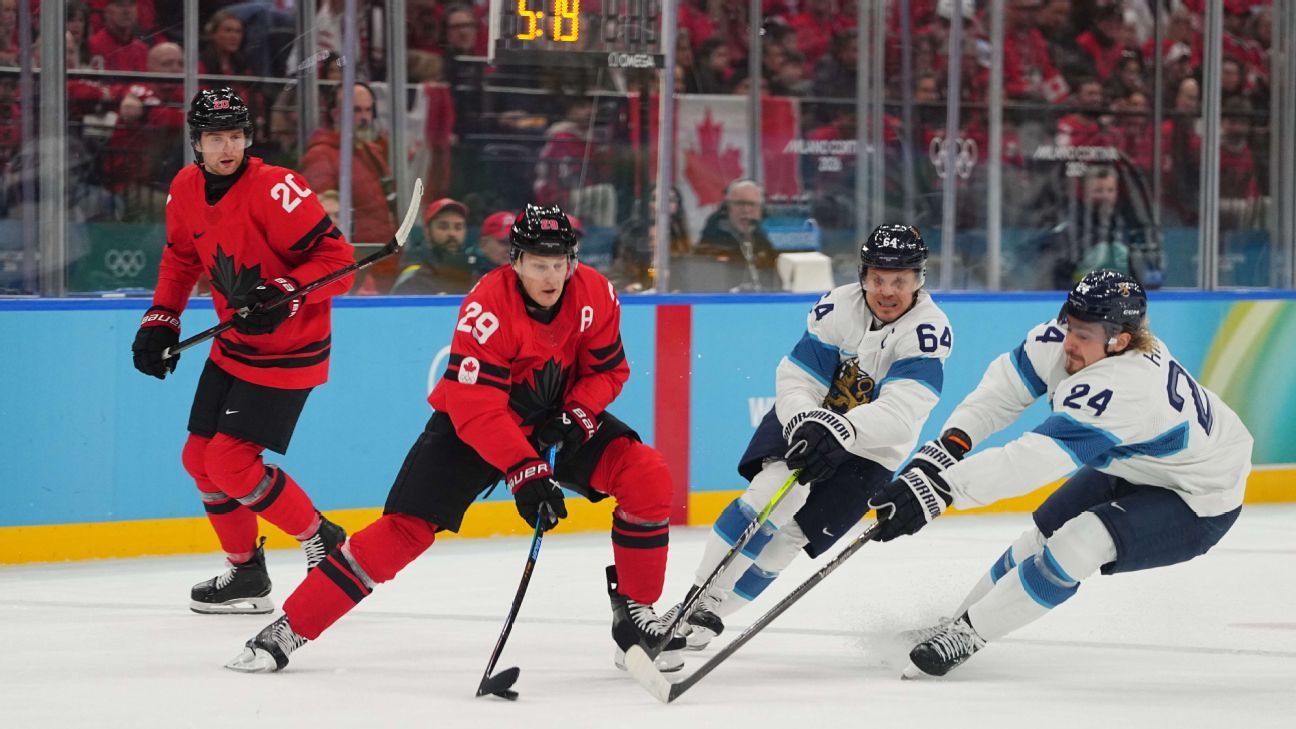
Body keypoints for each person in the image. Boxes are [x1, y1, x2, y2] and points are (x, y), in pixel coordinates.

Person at [225, 204, 687, 674]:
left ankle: (634, 618)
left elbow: (607, 370)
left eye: (560, 264)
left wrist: (576, 415)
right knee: (403, 531)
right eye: (538, 264)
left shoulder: (595, 293)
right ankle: (289, 628)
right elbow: (478, 409)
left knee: (645, 475)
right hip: (475, 427)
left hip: (553, 417)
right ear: (514, 261)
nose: (551, 277)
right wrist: (525, 473)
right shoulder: (487, 307)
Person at [868, 270, 1253, 678]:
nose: (1069, 341)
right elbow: (1001, 394)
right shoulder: (1065, 340)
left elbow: (1031, 459)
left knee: (1081, 541)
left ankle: (968, 634)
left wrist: (941, 490)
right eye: (1070, 323)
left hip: (1201, 495)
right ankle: (954, 623)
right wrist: (948, 448)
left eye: (1084, 334)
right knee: (1039, 534)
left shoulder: (1127, 386)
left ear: (1119, 341)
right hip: (1138, 462)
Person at [672, 225, 954, 650]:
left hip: (872, 448)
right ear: (863, 275)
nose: (888, 290)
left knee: (792, 537)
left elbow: (901, 413)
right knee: (773, 493)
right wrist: (807, 419)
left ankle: (704, 621)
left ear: (919, 281)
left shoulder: (928, 331)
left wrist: (842, 428)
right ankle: (694, 601)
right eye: (878, 278)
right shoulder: (838, 307)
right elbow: (798, 377)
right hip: (809, 419)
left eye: (900, 280)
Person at [129, 88, 354, 615]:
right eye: (215, 137)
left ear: (247, 138)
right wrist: (162, 317)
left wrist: (287, 290)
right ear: (196, 143)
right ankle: (246, 574)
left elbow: (339, 262)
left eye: (235, 136)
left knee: (230, 463)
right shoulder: (185, 189)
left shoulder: (277, 188)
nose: (227, 147)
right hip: (234, 345)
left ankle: (323, 537)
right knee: (198, 460)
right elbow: (181, 260)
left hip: (291, 349)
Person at [300, 82, 399, 292]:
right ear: (336, 114)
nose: (364, 117)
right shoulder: (321, 156)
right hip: (355, 271)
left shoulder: (372, 150)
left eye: (368, 110)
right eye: (355, 110)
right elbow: (322, 222)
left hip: (382, 264)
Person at [694, 179, 779, 292]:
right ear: (727, 207)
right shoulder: (713, 239)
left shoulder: (763, 240)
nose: (746, 210)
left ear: (761, 210)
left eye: (752, 204)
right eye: (740, 204)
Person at [390, 197, 475, 295]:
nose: (452, 233)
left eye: (458, 227)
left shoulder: (473, 268)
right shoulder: (414, 272)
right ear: (427, 232)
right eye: (443, 226)